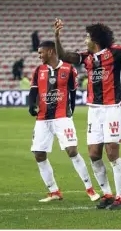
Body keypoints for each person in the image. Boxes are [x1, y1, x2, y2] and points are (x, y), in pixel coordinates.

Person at [54, 18, 121, 210]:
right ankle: (107, 193)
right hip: (94, 110)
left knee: (112, 153)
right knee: (94, 154)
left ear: (95, 40)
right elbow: (63, 56)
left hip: (112, 109)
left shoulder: (115, 52)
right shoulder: (86, 57)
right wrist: (57, 36)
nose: (84, 39)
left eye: (87, 36)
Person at [28, 41, 100, 202]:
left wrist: (70, 112)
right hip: (43, 118)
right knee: (39, 154)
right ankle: (54, 191)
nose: (39, 55)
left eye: (41, 52)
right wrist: (31, 105)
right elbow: (33, 90)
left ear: (51, 52)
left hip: (62, 117)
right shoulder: (39, 70)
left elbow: (73, 93)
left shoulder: (69, 69)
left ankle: (89, 188)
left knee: (72, 151)